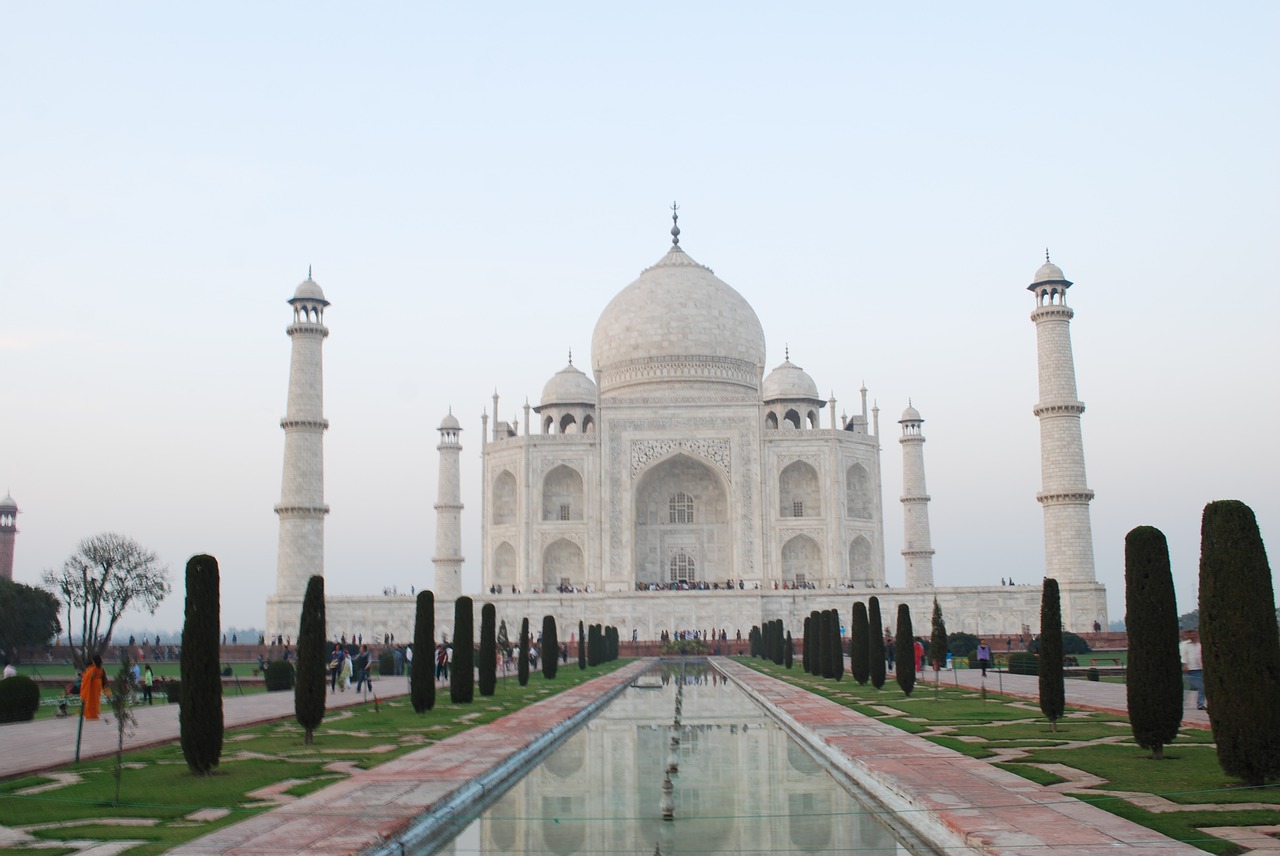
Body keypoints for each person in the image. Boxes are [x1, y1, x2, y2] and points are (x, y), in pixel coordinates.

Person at [1180, 629, 1205, 710]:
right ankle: (1183, 702)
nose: (1192, 636)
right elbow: (1183, 655)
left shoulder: (1200, 644)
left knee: (1201, 687)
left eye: (1194, 634)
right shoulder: (1184, 645)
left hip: (1200, 668)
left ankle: (1200, 704)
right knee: (1191, 686)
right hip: (1190, 669)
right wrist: (1184, 665)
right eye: (1190, 634)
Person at [80, 655, 107, 721]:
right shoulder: (101, 669)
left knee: (90, 700)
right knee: (96, 700)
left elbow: (88, 677)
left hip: (92, 686)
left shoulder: (93, 669)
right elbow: (103, 678)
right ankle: (95, 713)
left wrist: (83, 676)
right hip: (98, 686)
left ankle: (90, 714)